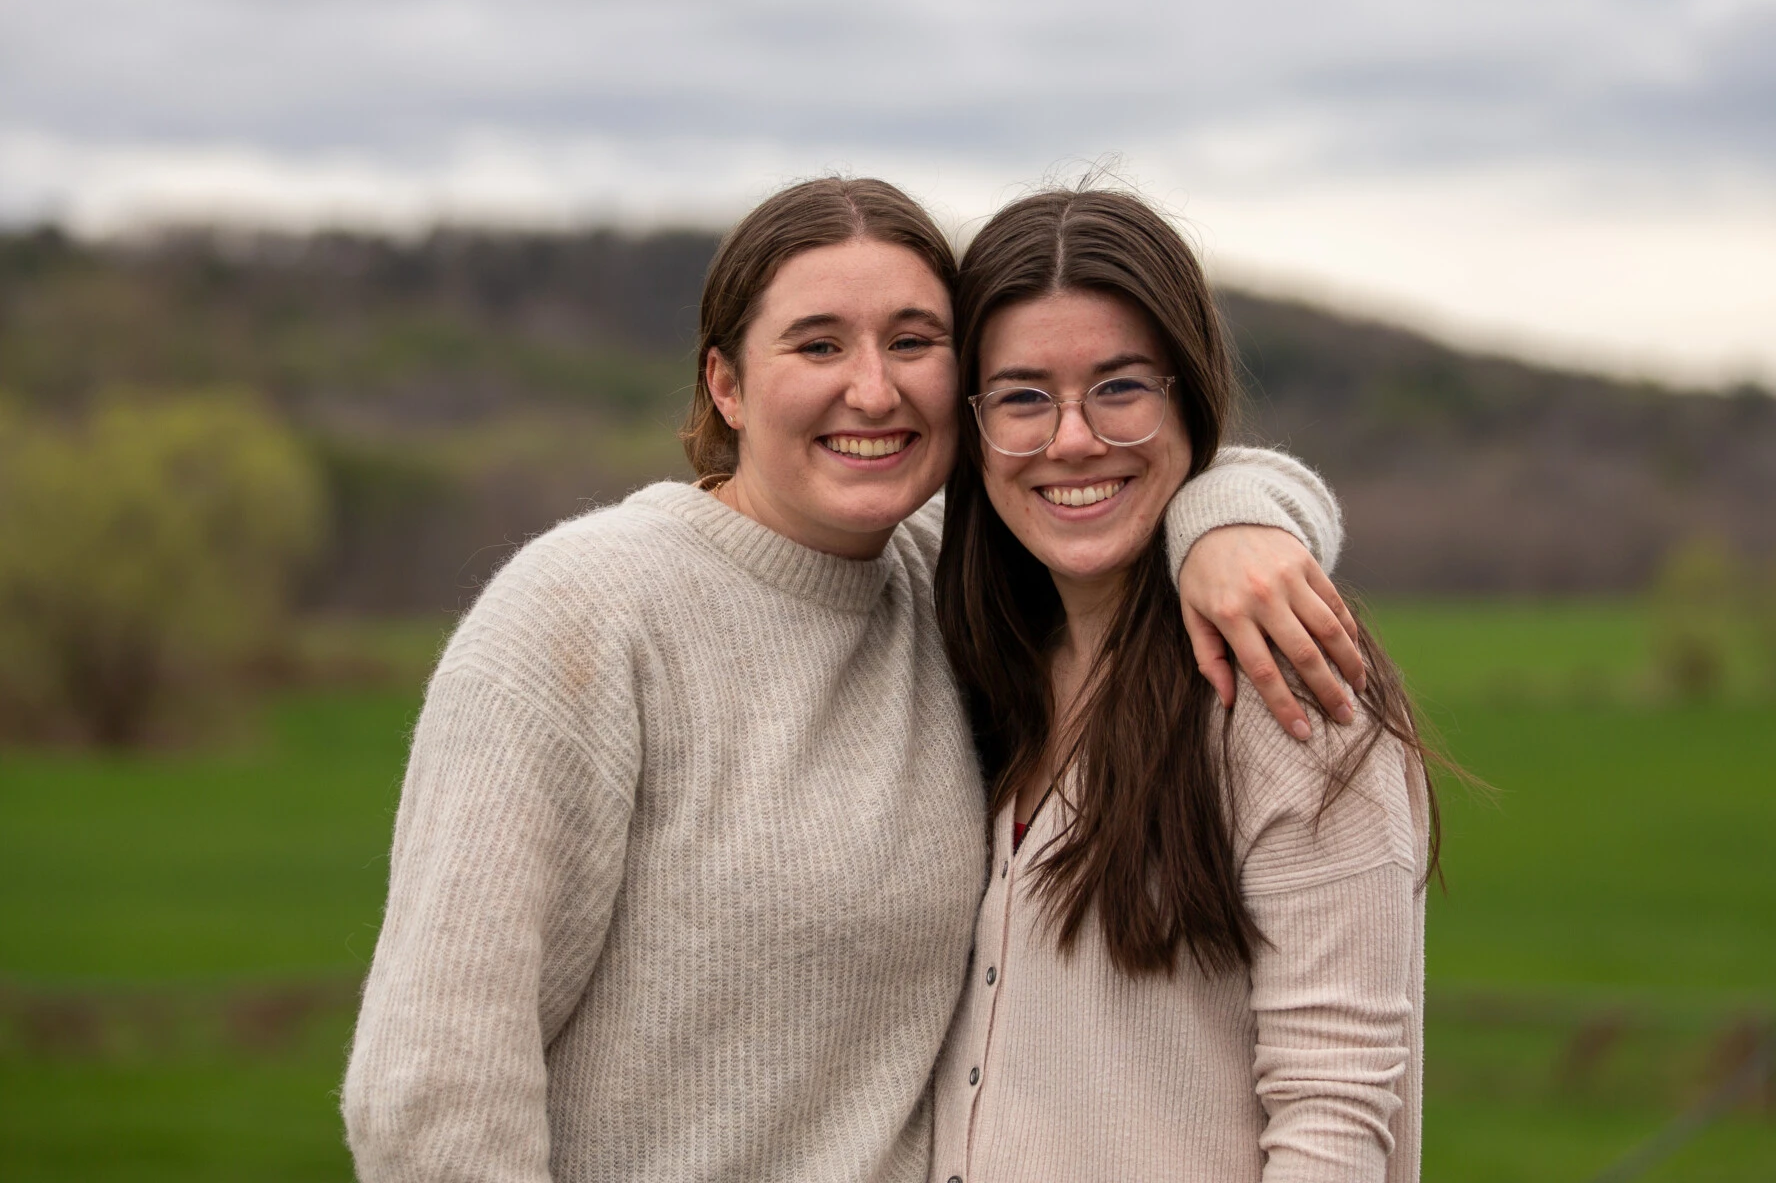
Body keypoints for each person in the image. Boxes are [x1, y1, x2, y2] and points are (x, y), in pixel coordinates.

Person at [340, 177, 1360, 1183]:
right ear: (726, 383)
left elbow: (1121, 461)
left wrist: (1229, 518)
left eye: (914, 340)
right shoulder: (582, 611)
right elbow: (431, 1083)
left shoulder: (948, 586)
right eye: (818, 343)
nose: (873, 389)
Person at [932, 189, 1448, 1183]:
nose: (1072, 438)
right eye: (1023, 395)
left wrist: (1233, 505)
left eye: (1120, 386)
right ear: (974, 422)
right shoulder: (981, 658)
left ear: (1190, 394)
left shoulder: (1283, 683)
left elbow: (1333, 1123)